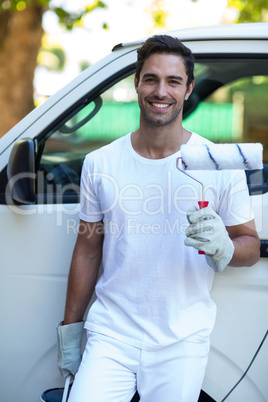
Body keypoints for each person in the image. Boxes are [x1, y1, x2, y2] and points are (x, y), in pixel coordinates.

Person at [57, 35, 260, 402]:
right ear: (136, 83)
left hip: (181, 340)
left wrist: (224, 247)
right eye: (150, 78)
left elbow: (249, 243)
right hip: (111, 336)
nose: (160, 91)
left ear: (188, 89)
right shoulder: (100, 164)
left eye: (173, 81)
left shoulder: (219, 164)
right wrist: (71, 332)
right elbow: (88, 248)